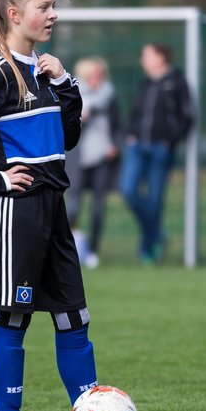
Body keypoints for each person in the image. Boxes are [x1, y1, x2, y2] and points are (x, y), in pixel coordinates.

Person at [0, 0, 150, 411]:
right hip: (14, 213)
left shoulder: (45, 71)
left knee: (74, 315)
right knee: (14, 316)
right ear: (14, 14)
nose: (52, 14)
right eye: (44, 6)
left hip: (54, 208)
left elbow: (68, 137)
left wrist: (67, 82)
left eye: (54, 6)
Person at [120, 42, 193, 264]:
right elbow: (136, 113)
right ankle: (157, 235)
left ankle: (148, 249)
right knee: (128, 191)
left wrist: (169, 141)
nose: (143, 60)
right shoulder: (146, 83)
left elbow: (188, 116)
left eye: (146, 55)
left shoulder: (177, 82)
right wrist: (131, 134)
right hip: (136, 146)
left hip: (161, 149)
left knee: (155, 200)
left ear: (160, 57)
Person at [65, 56, 120, 269]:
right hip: (79, 160)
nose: (97, 79)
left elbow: (117, 125)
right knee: (73, 207)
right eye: (93, 75)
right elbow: (68, 128)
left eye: (100, 75)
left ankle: (94, 251)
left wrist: (115, 145)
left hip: (102, 158)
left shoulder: (109, 95)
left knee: (98, 208)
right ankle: (69, 248)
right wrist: (81, 120)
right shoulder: (74, 94)